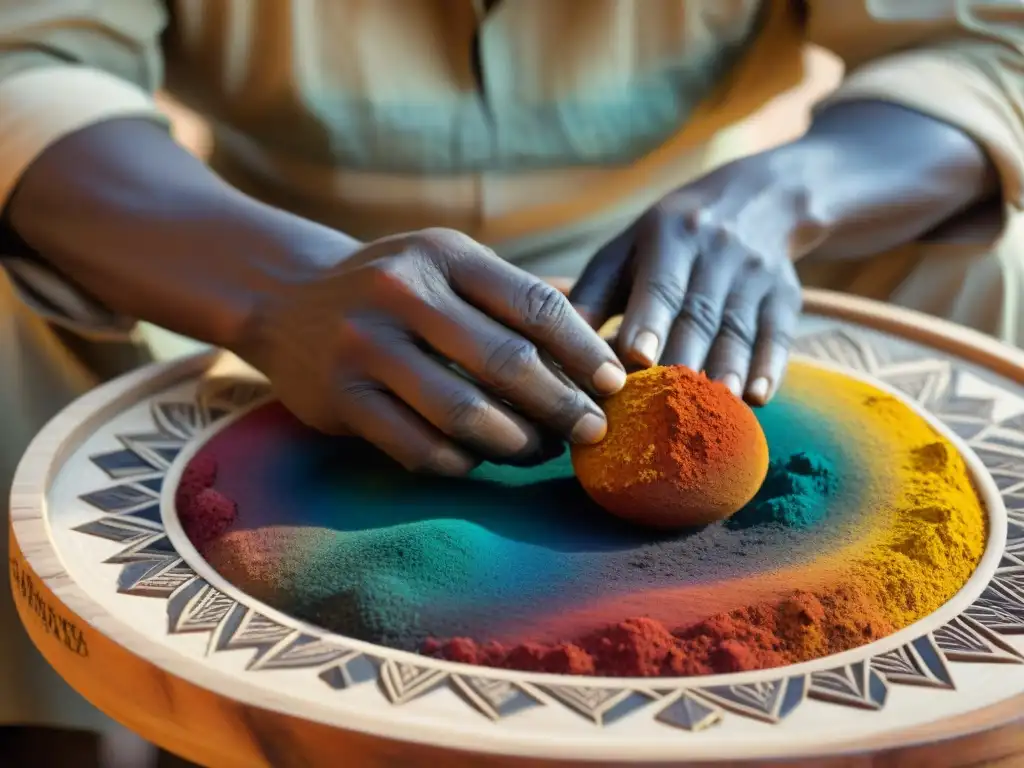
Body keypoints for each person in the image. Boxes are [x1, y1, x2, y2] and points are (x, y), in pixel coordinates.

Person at [0, 0, 1020, 762]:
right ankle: (72, 735)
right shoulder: (277, 277)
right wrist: (277, 286)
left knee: (972, 257)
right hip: (276, 265)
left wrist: (778, 195)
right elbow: (30, 63)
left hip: (661, 276)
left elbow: (980, 40)